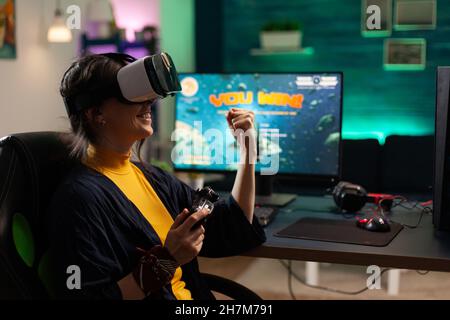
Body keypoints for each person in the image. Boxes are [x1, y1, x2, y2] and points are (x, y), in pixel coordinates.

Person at [46, 53, 266, 300]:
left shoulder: (152, 177)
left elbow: (230, 225)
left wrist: (248, 150)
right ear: (95, 113)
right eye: (135, 97)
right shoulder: (79, 199)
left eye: (149, 97)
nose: (149, 102)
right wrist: (167, 260)